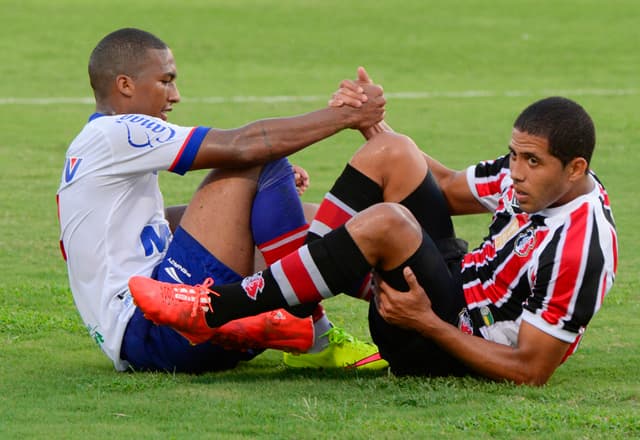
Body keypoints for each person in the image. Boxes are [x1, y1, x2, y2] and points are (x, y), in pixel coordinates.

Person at [130, 69, 617, 384]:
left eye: (531, 161)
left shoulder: (582, 245)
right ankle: (297, 307)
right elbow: (443, 186)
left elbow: (532, 370)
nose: (515, 171)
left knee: (386, 223)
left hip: (442, 337)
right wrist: (367, 122)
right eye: (514, 155)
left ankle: (216, 309)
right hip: (456, 282)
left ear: (575, 169)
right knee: (394, 151)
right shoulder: (529, 176)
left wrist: (425, 322)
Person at [56, 28, 390, 374]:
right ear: (125, 85)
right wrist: (346, 116)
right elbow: (244, 145)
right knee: (260, 159)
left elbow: (149, 227)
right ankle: (314, 334)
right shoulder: (116, 133)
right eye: (165, 81)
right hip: (155, 327)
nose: (175, 95)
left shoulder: (95, 146)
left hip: (161, 333)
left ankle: (394, 299)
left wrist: (256, 200)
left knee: (307, 218)